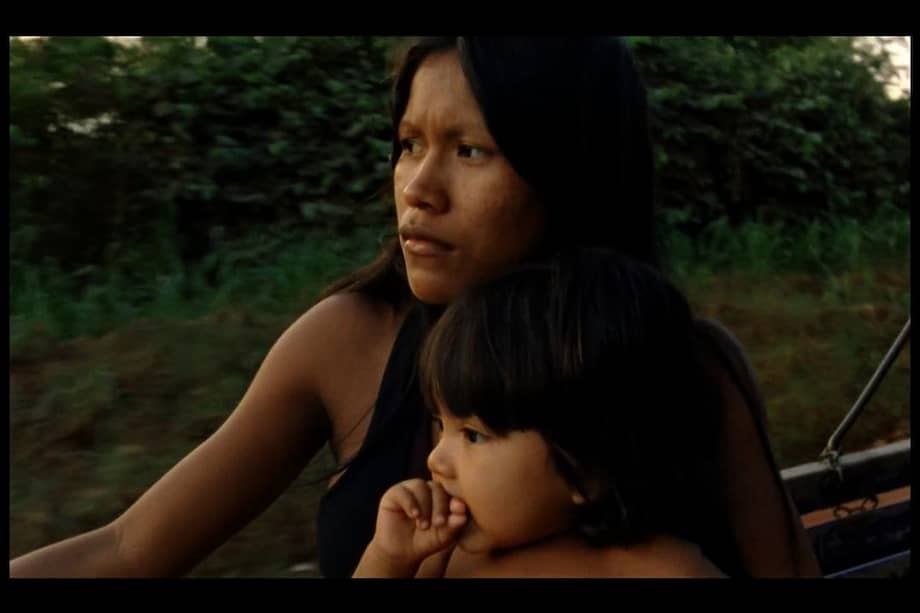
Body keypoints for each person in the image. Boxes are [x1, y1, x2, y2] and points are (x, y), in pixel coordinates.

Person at [9, 36, 820, 578]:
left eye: (471, 150)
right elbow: (128, 549)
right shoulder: (345, 341)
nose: (418, 188)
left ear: (568, 171)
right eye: (408, 144)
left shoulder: (683, 367)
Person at [354, 248, 731, 578]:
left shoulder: (662, 570)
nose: (436, 460)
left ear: (586, 469)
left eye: (473, 435)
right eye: (441, 424)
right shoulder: (441, 558)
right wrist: (387, 560)